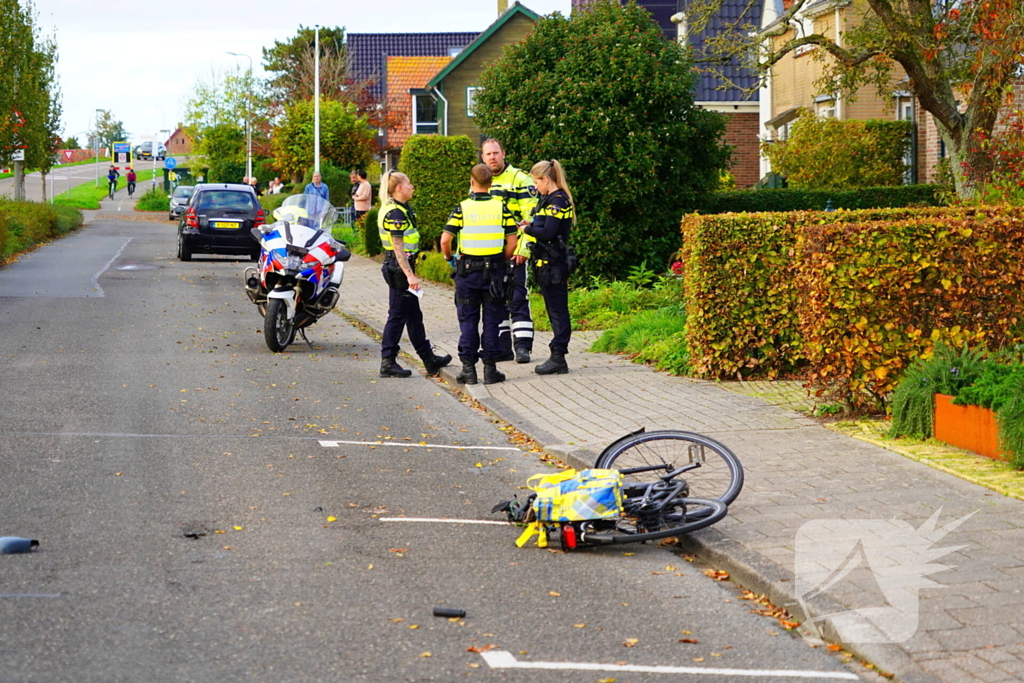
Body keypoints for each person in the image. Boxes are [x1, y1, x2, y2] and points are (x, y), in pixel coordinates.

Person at [440, 164, 518, 385]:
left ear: (472, 182)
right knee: (492, 320)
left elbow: (445, 240)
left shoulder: (461, 208)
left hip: (467, 272)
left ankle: (468, 370)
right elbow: (512, 242)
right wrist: (500, 260)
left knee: (468, 320)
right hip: (494, 273)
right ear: (491, 183)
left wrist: (449, 258)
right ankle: (490, 370)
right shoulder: (501, 208)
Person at [377, 171, 452, 379]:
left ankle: (429, 359)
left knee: (413, 316)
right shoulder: (395, 214)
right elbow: (398, 248)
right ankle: (388, 361)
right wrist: (410, 276)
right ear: (399, 188)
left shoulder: (400, 208)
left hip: (398, 267)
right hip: (399, 268)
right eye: (409, 183)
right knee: (397, 316)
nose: (412, 186)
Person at [480, 138, 538, 364]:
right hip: (491, 253)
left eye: (496, 153)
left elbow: (530, 218)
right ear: (483, 157)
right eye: (488, 154)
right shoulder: (481, 181)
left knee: (517, 298)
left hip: (515, 251)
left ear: (503, 153)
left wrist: (524, 249)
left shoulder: (520, 179)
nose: (492, 157)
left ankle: (523, 347)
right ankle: (503, 348)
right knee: (496, 300)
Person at [524, 159, 576, 375]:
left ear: (546, 179)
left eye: (537, 182)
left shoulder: (558, 201)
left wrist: (527, 229)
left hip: (554, 263)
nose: (536, 187)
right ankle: (557, 355)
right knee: (554, 308)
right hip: (547, 262)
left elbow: (548, 233)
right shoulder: (549, 199)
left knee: (557, 310)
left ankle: (558, 356)